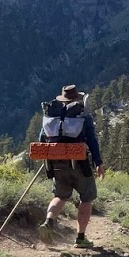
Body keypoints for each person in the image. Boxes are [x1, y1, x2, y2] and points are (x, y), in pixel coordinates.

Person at [38, 83, 104, 248]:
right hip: (80, 164)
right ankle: (80, 237)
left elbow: (42, 140)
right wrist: (98, 162)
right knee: (86, 197)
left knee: (60, 196)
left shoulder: (50, 118)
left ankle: (48, 222)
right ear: (77, 99)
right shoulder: (82, 117)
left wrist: (52, 153)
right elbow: (92, 141)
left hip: (56, 164)